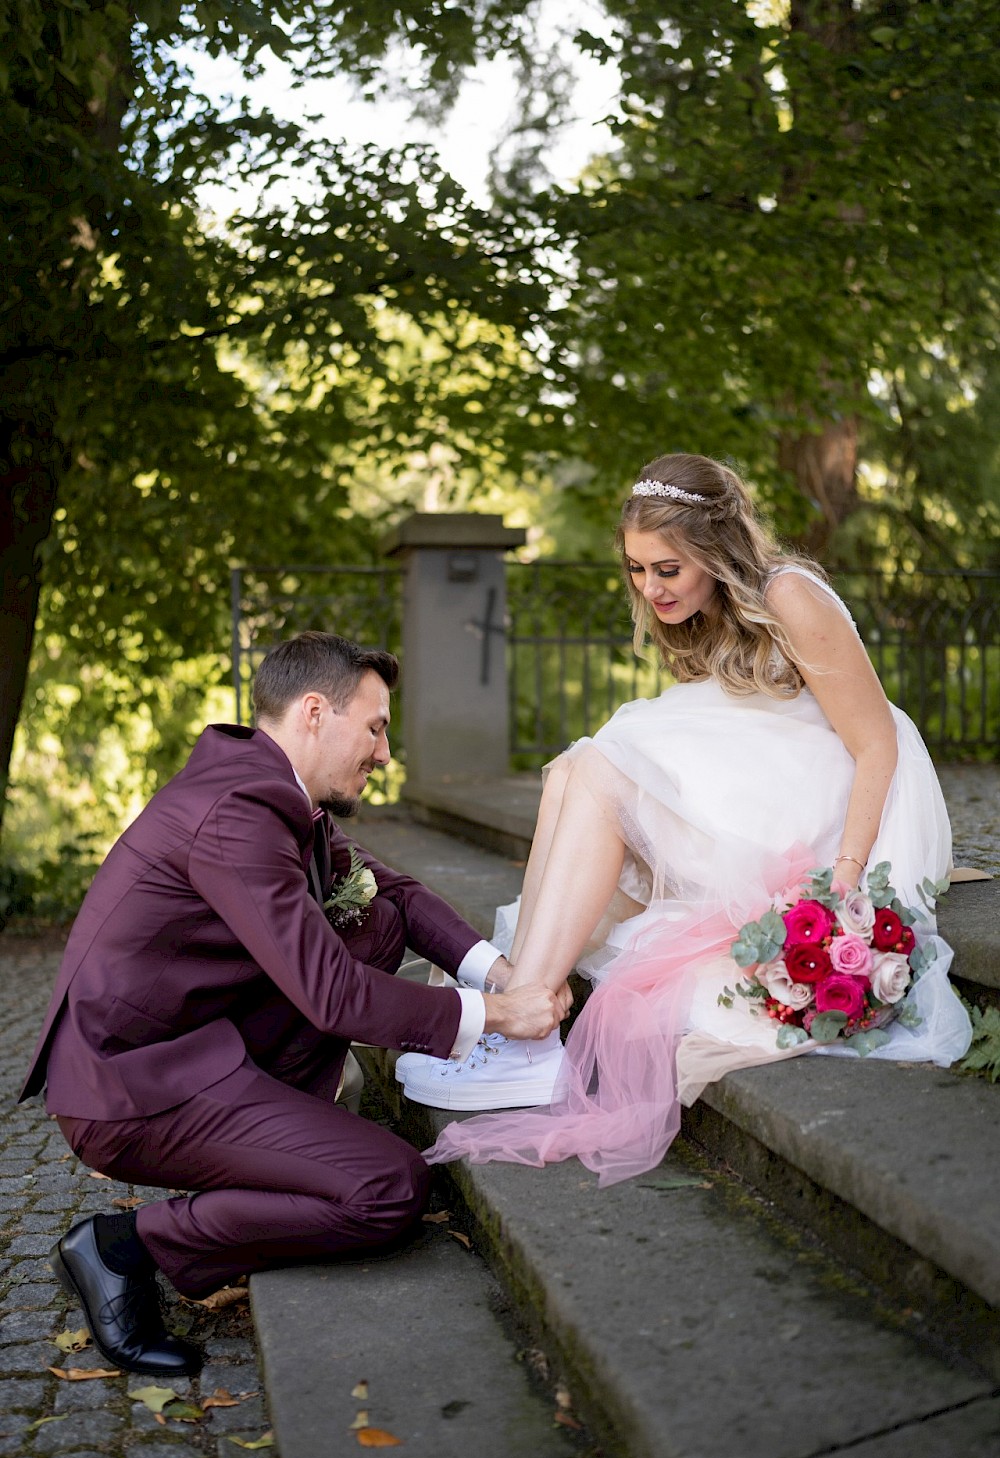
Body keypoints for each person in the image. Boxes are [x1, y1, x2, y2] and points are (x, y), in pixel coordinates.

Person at [398, 452, 972, 1184]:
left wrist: (847, 879)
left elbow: (875, 742)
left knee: (603, 767)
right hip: (768, 784)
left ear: (716, 550)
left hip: (839, 799)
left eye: (668, 568)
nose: (651, 587)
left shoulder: (790, 593)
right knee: (576, 769)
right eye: (638, 569)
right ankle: (523, 1012)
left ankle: (523, 1025)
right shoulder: (704, 617)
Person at [20, 632, 566, 1375]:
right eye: (374, 727)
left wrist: (500, 974)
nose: (382, 752)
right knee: (388, 1187)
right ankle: (124, 1247)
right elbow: (332, 994)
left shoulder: (273, 792)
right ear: (315, 712)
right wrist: (499, 1018)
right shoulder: (239, 812)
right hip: (135, 1086)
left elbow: (395, 890)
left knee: (374, 913)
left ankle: (285, 1131)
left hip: (199, 1044)